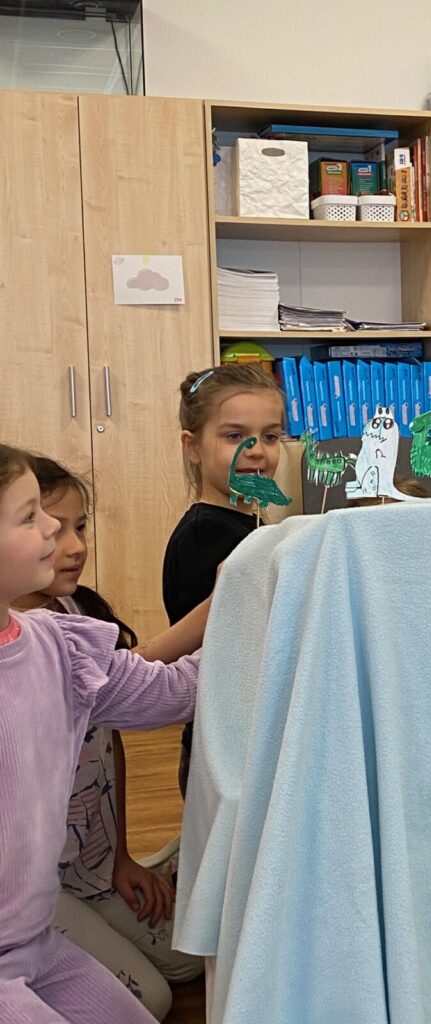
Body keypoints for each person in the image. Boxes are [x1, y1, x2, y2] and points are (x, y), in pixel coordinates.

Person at [0, 442, 210, 1024]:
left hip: (35, 940)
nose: (53, 529)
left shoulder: (57, 644)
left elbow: (173, 690)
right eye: (31, 516)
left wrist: (250, 603)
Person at [162, 363, 286, 795]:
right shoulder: (206, 534)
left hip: (247, 737)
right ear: (192, 447)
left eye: (270, 436)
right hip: (226, 751)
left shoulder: (250, 525)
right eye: (235, 436)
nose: (257, 451)